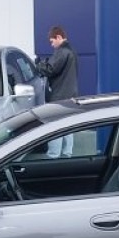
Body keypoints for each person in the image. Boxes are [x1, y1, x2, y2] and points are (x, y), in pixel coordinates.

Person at [37, 25, 79, 158]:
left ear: (59, 37)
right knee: (68, 126)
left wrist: (38, 64)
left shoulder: (62, 52)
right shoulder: (72, 51)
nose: (51, 44)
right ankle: (67, 154)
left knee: (54, 125)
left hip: (60, 95)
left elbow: (50, 69)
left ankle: (53, 155)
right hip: (70, 94)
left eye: (52, 41)